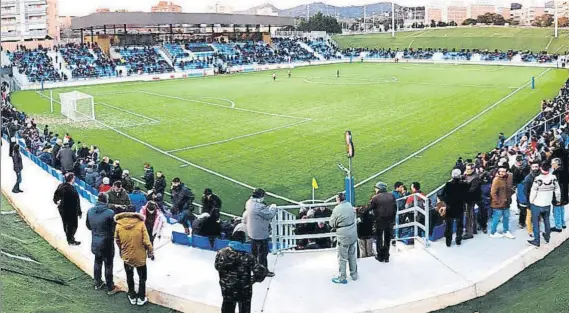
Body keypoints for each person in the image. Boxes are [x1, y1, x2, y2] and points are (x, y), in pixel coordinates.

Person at [214, 231, 267, 313]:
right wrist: (254, 279)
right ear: (243, 241)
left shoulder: (221, 253)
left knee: (227, 307)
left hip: (227, 288)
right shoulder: (248, 256)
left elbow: (217, 266)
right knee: (244, 308)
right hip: (244, 289)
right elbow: (260, 271)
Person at [114, 212, 154, 306]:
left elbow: (117, 240)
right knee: (142, 278)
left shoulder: (119, 225)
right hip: (140, 257)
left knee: (129, 276)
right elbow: (147, 241)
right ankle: (141, 298)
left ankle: (132, 295)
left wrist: (121, 249)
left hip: (127, 256)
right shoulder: (140, 224)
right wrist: (150, 251)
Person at [86, 193, 119, 295]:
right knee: (108, 265)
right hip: (107, 243)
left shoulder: (90, 211)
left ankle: (97, 282)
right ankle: (110, 287)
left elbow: (88, 226)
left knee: (97, 262)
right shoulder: (110, 213)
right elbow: (115, 229)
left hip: (95, 241)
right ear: (106, 201)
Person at [245, 188, 277, 277]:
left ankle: (253, 269)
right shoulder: (258, 206)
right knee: (263, 254)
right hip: (260, 233)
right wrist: (273, 208)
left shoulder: (249, 202)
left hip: (252, 232)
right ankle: (263, 272)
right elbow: (269, 215)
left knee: (254, 253)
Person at [528, 162, 561, 247]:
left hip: (537, 204)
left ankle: (537, 240)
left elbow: (533, 192)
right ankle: (547, 237)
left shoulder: (537, 178)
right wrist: (558, 199)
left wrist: (531, 201)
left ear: (541, 168)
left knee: (536, 223)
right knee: (547, 220)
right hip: (547, 204)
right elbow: (557, 190)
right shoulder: (553, 177)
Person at [329, 193, 358, 284]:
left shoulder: (337, 209)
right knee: (352, 255)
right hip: (352, 233)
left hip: (343, 235)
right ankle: (354, 275)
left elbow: (332, 224)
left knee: (342, 257)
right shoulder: (349, 205)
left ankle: (342, 277)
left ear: (338, 199)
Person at [440, 169, 469, 247]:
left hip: (450, 207)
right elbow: (467, 196)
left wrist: (447, 202)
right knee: (459, 225)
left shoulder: (448, 184)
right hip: (460, 207)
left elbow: (441, 195)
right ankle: (458, 240)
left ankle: (448, 242)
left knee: (449, 225)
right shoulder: (464, 185)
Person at [53, 173, 82, 245]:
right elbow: (77, 202)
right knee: (73, 225)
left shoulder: (60, 186)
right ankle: (70, 240)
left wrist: (57, 202)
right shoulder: (72, 190)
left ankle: (69, 238)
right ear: (72, 179)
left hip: (62, 209)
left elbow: (55, 197)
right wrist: (79, 212)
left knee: (65, 224)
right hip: (71, 211)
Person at [490, 166, 515, 239]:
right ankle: (493, 232)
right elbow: (493, 193)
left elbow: (507, 189)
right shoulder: (496, 180)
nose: (502, 173)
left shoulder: (506, 179)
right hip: (498, 204)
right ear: (498, 171)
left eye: (504, 171)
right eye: (501, 171)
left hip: (506, 203)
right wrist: (498, 201)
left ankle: (506, 231)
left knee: (506, 217)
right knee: (496, 219)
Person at [511, 155, 530, 228]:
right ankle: (519, 208)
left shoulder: (526, 167)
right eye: (518, 161)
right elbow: (513, 177)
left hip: (524, 185)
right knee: (518, 198)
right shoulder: (513, 167)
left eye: (520, 161)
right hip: (518, 184)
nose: (519, 162)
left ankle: (523, 220)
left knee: (523, 201)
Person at [523, 162, 541, 238]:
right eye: (533, 167)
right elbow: (525, 191)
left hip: (540, 200)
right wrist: (531, 199)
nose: (535, 168)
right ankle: (530, 231)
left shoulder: (542, 176)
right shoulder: (528, 178)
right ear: (531, 167)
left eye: (536, 166)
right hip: (531, 201)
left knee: (539, 216)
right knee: (529, 216)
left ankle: (537, 228)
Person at [463, 164, 481, 239]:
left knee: (469, 216)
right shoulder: (467, 175)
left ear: (473, 169)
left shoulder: (475, 178)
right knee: (471, 214)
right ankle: (474, 229)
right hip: (470, 199)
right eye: (466, 169)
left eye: (468, 169)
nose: (467, 171)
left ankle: (469, 233)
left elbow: (471, 190)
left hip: (471, 199)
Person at [551, 158, 568, 232]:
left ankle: (558, 226)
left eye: (552, 163)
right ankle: (563, 223)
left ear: (556, 164)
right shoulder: (564, 171)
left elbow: (556, 186)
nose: (551, 165)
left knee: (556, 211)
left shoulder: (555, 173)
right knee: (562, 209)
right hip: (564, 194)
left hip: (558, 195)